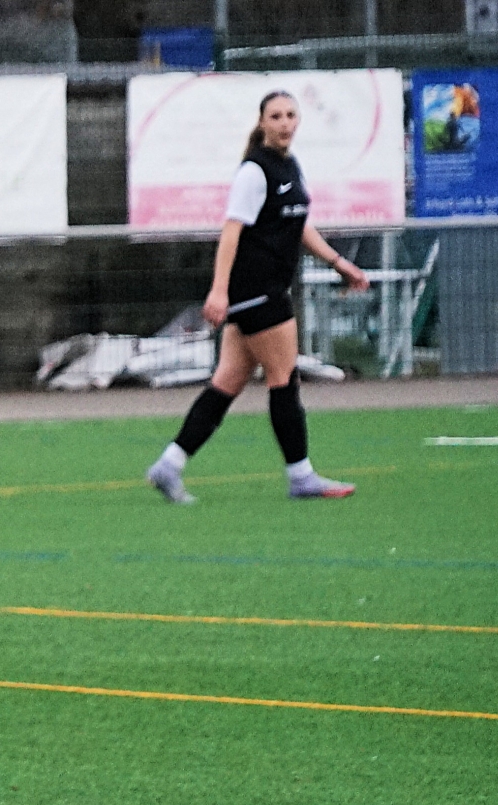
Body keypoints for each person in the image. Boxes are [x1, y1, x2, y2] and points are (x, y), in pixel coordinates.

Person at [146, 90, 369, 505]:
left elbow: (298, 224)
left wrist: (339, 263)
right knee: (284, 379)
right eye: (276, 116)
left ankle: (169, 464)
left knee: (227, 383)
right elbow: (231, 233)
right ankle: (301, 476)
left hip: (263, 292)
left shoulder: (290, 166)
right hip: (258, 292)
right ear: (262, 122)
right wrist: (218, 291)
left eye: (290, 115)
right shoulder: (254, 171)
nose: (284, 123)